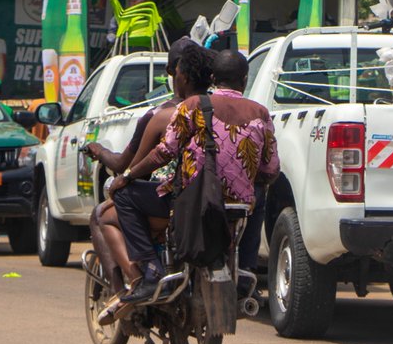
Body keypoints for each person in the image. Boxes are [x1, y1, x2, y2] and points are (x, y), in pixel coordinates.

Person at [113, 48, 279, 306]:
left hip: (193, 200)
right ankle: (246, 274)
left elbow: (165, 152)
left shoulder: (192, 106)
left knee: (124, 196)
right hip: (238, 206)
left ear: (213, 78)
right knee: (259, 195)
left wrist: (127, 176)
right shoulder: (261, 113)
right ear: (245, 80)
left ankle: (151, 271)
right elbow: (270, 171)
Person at [84, 37, 198, 320]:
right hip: (211, 201)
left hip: (169, 204)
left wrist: (102, 154)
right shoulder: (220, 111)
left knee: (100, 214)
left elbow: (129, 165)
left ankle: (130, 284)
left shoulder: (161, 116)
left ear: (174, 72)